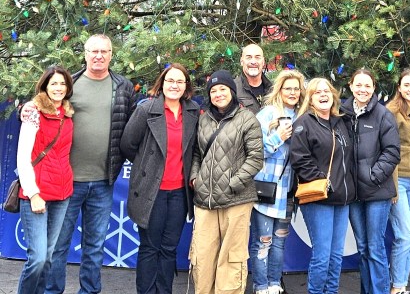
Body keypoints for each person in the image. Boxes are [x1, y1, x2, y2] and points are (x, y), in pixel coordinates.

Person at [47, 34, 136, 294]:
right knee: (58, 244)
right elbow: (43, 110)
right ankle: (52, 291)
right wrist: (25, 110)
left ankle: (89, 291)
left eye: (104, 51)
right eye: (93, 51)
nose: (99, 56)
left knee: (94, 246)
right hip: (66, 181)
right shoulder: (69, 84)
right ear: (85, 54)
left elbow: (131, 126)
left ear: (111, 54)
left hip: (102, 182)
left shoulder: (123, 86)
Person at [120, 63, 200, 294]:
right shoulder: (146, 109)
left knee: (169, 248)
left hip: (179, 193)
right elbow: (127, 144)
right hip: (151, 192)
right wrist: (147, 166)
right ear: (162, 84)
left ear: (186, 86)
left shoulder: (192, 112)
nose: (174, 85)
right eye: (170, 81)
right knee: (150, 247)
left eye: (179, 81)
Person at [189, 70, 263, 294]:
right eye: (213, 90)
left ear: (231, 91)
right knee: (202, 256)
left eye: (222, 89)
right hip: (205, 201)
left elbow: (256, 157)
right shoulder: (204, 119)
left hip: (236, 200)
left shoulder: (247, 118)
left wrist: (234, 183)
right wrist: (195, 178)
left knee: (232, 259)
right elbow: (196, 154)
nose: (218, 94)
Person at [289, 78, 356, 294]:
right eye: (317, 92)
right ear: (310, 98)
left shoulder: (341, 122)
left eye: (327, 91)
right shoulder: (304, 123)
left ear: (334, 95)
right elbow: (299, 159)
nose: (323, 95)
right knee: (322, 254)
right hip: (320, 198)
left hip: (342, 199)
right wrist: (323, 181)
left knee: (336, 254)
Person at [341, 69, 400, 294]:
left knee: (375, 248)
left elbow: (392, 151)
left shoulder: (383, 115)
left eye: (367, 85)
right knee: (363, 247)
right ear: (351, 86)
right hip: (354, 193)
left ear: (374, 88)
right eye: (359, 85)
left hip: (377, 191)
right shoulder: (342, 113)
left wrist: (373, 175)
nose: (363, 89)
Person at [16, 66, 75, 294]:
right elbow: (23, 156)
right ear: (44, 86)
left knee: (49, 258)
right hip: (37, 194)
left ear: (68, 88)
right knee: (38, 258)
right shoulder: (33, 111)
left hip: (62, 193)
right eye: (54, 84)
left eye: (62, 84)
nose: (58, 88)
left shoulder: (68, 114)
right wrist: (33, 193)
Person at [249, 70, 306, 294]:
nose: (292, 93)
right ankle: (261, 286)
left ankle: (274, 284)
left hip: (289, 191)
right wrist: (278, 138)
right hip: (266, 188)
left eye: (296, 89)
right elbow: (253, 150)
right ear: (279, 90)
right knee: (263, 242)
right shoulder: (267, 114)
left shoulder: (303, 115)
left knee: (279, 242)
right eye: (288, 88)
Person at [386, 69, 410, 294]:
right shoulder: (391, 111)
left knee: (409, 236)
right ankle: (396, 288)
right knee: (403, 235)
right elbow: (387, 149)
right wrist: (392, 187)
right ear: (399, 87)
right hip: (398, 180)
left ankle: (401, 284)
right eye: (407, 85)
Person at [234, 43, 273, 114]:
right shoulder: (233, 89)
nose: (253, 62)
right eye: (249, 57)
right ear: (241, 61)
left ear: (263, 62)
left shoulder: (274, 89)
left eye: (257, 57)